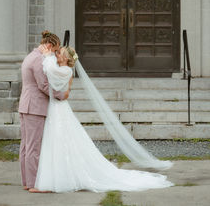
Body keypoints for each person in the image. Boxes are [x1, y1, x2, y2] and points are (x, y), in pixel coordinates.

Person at [33, 46, 173, 193]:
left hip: (59, 109)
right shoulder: (59, 68)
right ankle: (56, 177)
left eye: (60, 53)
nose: (57, 54)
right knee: (56, 141)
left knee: (62, 139)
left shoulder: (66, 71)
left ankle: (57, 180)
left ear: (67, 59)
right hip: (56, 108)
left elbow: (49, 71)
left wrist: (46, 55)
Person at [18, 31, 70, 193]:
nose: (55, 54)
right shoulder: (39, 60)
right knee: (34, 147)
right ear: (49, 46)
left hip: (26, 105)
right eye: (55, 50)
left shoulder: (30, 56)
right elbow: (43, 86)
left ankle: (27, 181)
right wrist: (61, 95)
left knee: (26, 146)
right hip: (35, 107)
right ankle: (34, 184)